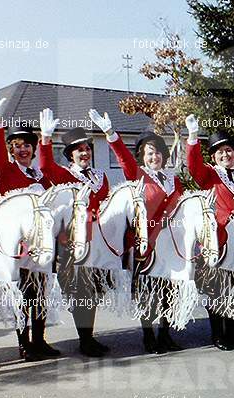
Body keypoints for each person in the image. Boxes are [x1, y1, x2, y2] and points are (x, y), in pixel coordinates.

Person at [89, 109, 184, 354]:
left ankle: (165, 333)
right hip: (145, 244)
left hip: (170, 244)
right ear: (142, 156)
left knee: (169, 291)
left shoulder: (174, 180)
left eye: (158, 153)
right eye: (149, 153)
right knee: (148, 291)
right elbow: (123, 159)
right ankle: (148, 335)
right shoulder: (137, 175)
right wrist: (110, 133)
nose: (155, 157)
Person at [0, 86, 59, 362]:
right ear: (12, 150)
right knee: (21, 295)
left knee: (40, 294)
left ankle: (39, 340)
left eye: (27, 145)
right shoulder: (6, 170)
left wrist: (48, 138)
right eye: (17, 146)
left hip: (41, 244)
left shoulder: (42, 174)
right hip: (17, 246)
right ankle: (23, 343)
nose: (23, 149)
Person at [38, 108, 111, 357]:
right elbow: (46, 166)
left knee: (93, 292)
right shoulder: (64, 175)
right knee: (80, 291)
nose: (85, 153)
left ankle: (88, 337)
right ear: (70, 154)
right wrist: (46, 139)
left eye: (87, 149)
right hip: (70, 243)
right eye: (79, 150)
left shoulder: (100, 176)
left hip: (96, 242)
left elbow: (105, 205)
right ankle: (84, 340)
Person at [185, 115, 234, 351]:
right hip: (216, 240)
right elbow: (193, 165)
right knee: (216, 289)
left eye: (228, 150)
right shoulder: (209, 175)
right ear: (214, 157)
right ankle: (218, 334)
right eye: (219, 152)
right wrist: (193, 138)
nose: (225, 155)